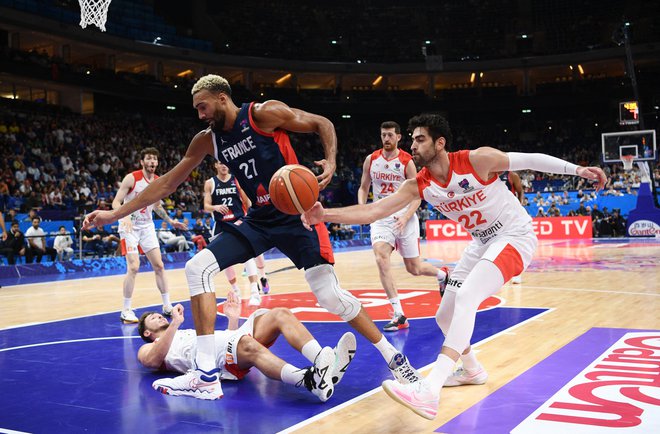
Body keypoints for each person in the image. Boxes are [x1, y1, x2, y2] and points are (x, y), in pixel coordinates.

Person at [85, 74, 421, 400]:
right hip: (259, 221)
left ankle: (396, 359)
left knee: (331, 296)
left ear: (222, 98)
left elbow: (323, 123)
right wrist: (115, 214)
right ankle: (205, 377)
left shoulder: (263, 114)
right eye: (196, 110)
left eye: (203, 107)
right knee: (196, 267)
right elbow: (167, 183)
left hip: (298, 217)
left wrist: (331, 162)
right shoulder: (207, 139)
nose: (200, 115)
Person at [302, 113, 607, 420]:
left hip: (514, 235)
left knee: (466, 297)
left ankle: (429, 390)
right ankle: (472, 370)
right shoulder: (418, 184)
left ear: (440, 142)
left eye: (420, 139)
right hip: (481, 243)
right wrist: (324, 215)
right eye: (412, 140)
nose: (414, 145)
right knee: (444, 315)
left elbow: (529, 159)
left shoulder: (477, 161)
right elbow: (373, 211)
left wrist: (579, 170)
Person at [138, 291, 357, 402]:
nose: (158, 316)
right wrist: (174, 324)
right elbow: (152, 360)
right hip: (217, 363)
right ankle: (310, 381)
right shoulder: (149, 347)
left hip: (228, 343)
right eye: (153, 318)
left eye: (159, 315)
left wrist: (233, 320)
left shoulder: (183, 331)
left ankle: (323, 362)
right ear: (147, 333)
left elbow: (224, 339)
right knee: (248, 345)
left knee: (279, 314)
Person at [357, 121, 448, 332]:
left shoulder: (407, 162)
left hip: (404, 217)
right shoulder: (371, 160)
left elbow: (418, 195)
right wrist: (363, 208)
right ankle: (399, 314)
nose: (386, 139)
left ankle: (443, 275)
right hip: (381, 215)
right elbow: (363, 187)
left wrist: (406, 217)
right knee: (381, 257)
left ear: (398, 137)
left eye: (390, 135)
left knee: (414, 268)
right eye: (383, 135)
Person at [113, 147, 187, 324]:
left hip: (146, 226)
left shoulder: (158, 181)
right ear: (142, 162)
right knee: (134, 266)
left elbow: (157, 206)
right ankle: (126, 310)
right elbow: (116, 202)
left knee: (159, 266)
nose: (152, 161)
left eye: (155, 159)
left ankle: (167, 305)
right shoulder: (132, 178)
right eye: (149, 158)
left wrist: (171, 221)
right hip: (129, 226)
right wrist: (124, 217)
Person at [203, 161, 264, 305]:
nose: (223, 165)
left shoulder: (237, 179)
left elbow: (247, 200)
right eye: (220, 163)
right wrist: (215, 207)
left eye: (225, 163)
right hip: (221, 224)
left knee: (249, 256)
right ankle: (235, 289)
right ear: (215, 166)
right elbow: (206, 206)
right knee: (226, 261)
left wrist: (250, 216)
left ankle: (255, 291)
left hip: (239, 221)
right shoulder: (210, 183)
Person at [498, 170, 524, 284]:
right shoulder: (489, 174)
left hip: (511, 212)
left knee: (513, 243)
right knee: (499, 245)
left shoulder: (512, 175)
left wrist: (518, 207)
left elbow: (520, 191)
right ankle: (502, 273)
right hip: (496, 213)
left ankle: (517, 273)